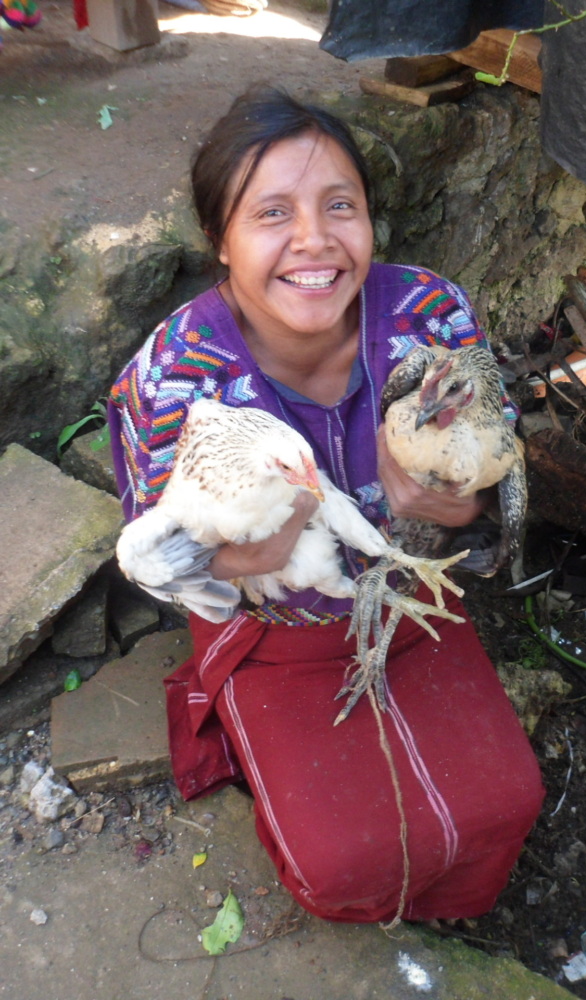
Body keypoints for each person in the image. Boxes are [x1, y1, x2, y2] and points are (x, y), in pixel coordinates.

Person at [109, 85, 544, 925]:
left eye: (339, 205)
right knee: (343, 859)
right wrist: (252, 549)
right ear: (220, 242)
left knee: (502, 804)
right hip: (271, 627)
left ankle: (445, 903)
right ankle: (239, 722)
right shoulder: (174, 379)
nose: (314, 239)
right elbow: (166, 556)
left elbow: (487, 488)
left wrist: (451, 507)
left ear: (370, 219)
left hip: (410, 596)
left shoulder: (428, 319)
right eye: (271, 213)